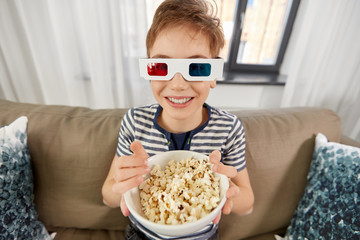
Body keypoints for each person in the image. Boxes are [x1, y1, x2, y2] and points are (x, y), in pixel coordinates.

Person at [102, 0, 254, 239]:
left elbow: (248, 204)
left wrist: (228, 190)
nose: (178, 84)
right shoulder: (134, 122)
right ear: (149, 72)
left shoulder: (228, 128)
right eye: (161, 67)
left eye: (198, 67)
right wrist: (120, 186)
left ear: (213, 76)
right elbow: (108, 196)